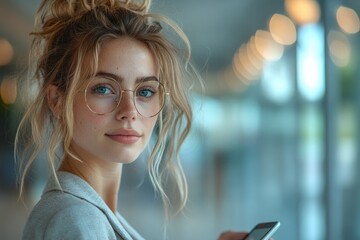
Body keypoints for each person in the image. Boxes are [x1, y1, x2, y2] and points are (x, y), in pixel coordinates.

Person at [15, 0, 247, 239]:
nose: (129, 111)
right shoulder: (77, 220)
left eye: (145, 91)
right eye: (104, 89)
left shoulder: (92, 214)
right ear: (57, 100)